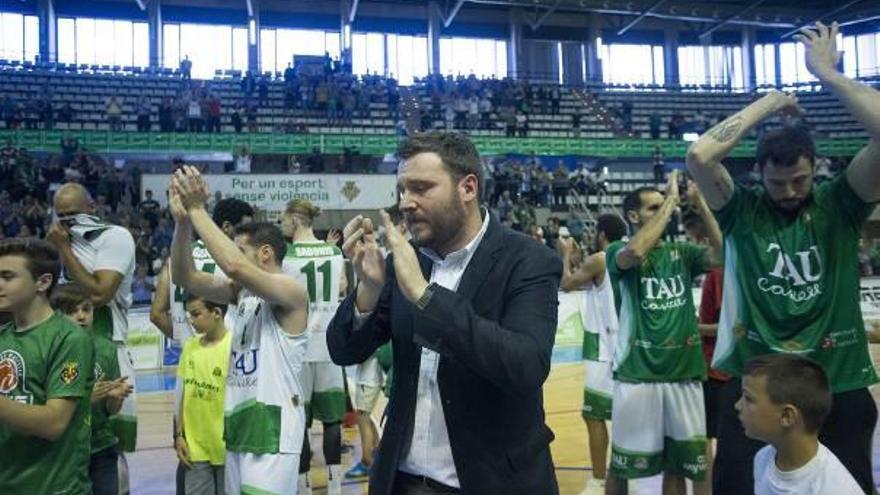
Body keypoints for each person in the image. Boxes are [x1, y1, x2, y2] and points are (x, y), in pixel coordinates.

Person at [685, 22, 880, 495]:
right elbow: (699, 156)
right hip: (758, 383)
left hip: (837, 380)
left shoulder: (840, 203)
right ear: (760, 175)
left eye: (801, 180)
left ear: (817, 168)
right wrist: (770, 102)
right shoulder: (742, 210)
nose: (790, 192)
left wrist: (829, 76)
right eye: (778, 183)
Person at [327, 132, 562, 494]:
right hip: (401, 481)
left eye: (421, 188)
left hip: (492, 482)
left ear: (468, 188)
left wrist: (424, 296)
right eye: (402, 190)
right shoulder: (405, 261)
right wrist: (368, 293)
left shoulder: (528, 261)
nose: (406, 202)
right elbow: (344, 350)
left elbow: (525, 366)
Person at [170, 165, 311, 495]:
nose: (228, 260)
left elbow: (234, 265)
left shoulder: (292, 290)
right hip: (238, 428)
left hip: (273, 434)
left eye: (240, 249)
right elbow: (184, 277)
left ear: (265, 254)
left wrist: (196, 209)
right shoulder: (240, 294)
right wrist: (182, 226)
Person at [604, 172, 721, 495]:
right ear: (632, 216)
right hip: (638, 372)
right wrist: (671, 200)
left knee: (683, 467)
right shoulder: (616, 251)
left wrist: (701, 205)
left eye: (663, 206)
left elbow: (723, 254)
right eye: (653, 208)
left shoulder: (682, 253)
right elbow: (636, 254)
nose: (664, 212)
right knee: (622, 465)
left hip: (684, 372)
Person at [151, 196, 253, 495]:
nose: (247, 236)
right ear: (226, 227)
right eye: (243, 229)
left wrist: (187, 337)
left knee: (189, 453)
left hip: (191, 363)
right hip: (231, 365)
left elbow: (156, 314)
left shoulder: (176, 258)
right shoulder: (234, 260)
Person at [47, 183, 139, 454]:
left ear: (92, 208)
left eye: (73, 214)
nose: (67, 222)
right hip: (62, 350)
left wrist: (63, 249)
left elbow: (100, 294)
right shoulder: (54, 241)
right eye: (61, 215)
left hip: (107, 346)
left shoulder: (115, 237)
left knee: (111, 445)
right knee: (65, 438)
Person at [0, 239, 95, 494]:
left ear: (43, 282)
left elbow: (54, 424)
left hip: (55, 488)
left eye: (7, 276)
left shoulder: (69, 339)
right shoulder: (3, 337)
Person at [279, 199, 348, 495]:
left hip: (299, 347)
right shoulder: (333, 252)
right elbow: (343, 286)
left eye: (283, 219)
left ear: (295, 220)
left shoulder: (287, 257)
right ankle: (335, 486)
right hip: (329, 346)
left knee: (300, 421)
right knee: (333, 420)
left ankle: (304, 486)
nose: (281, 224)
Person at [557, 213, 628, 495]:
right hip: (629, 344)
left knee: (594, 416)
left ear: (601, 234)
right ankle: (628, 475)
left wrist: (565, 256)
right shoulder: (631, 253)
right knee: (627, 416)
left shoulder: (600, 258)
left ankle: (600, 480)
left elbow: (566, 284)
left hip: (605, 350)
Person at [51, 282, 133, 495]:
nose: (81, 316)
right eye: (72, 311)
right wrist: (89, 399)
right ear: (56, 315)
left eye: (86, 309)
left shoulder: (106, 349)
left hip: (101, 446)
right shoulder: (51, 351)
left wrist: (116, 397)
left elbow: (112, 410)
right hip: (64, 450)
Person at [739, 354, 862, 494]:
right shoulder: (763, 459)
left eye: (748, 398)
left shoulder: (834, 488)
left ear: (787, 416)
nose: (738, 405)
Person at [682, 211, 730, 489]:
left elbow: (726, 326)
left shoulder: (718, 272)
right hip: (719, 368)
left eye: (692, 237)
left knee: (708, 442)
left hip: (717, 370)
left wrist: (689, 327)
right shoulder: (722, 269)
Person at [175, 295, 231, 495]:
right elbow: (183, 396)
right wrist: (179, 435)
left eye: (196, 314)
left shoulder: (233, 347)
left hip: (228, 448)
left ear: (216, 313)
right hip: (195, 449)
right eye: (190, 314)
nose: (191, 320)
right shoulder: (190, 346)